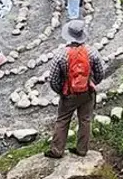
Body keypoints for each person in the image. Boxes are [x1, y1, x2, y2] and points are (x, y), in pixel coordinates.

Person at [46, 19, 107, 159]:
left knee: (62, 120)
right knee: (85, 120)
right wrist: (91, 82)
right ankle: (82, 149)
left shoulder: (60, 55)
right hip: (87, 92)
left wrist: (61, 91)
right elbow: (100, 73)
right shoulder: (92, 52)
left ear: (68, 35)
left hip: (69, 94)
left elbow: (53, 79)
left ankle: (57, 150)